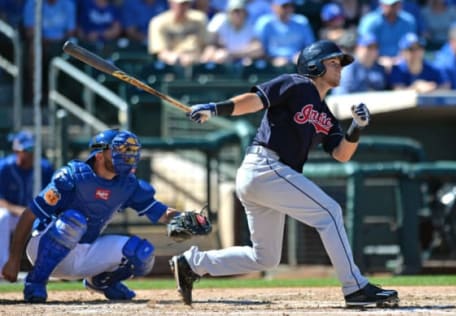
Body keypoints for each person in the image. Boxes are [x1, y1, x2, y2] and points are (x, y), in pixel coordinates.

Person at [170, 39, 400, 308]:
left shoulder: (325, 113)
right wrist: (216, 108)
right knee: (330, 213)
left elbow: (341, 154)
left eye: (341, 63)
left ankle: (192, 264)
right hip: (265, 166)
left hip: (267, 176)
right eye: (333, 62)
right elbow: (254, 101)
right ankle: (356, 288)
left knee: (264, 258)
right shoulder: (296, 83)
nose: (340, 68)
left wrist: (357, 128)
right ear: (314, 66)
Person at [1, 129, 187, 303]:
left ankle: (101, 282)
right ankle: (36, 281)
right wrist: (14, 259)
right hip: (44, 245)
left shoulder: (128, 184)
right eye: (119, 150)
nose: (127, 156)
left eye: (129, 151)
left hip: (85, 250)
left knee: (143, 252)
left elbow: (162, 213)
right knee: (74, 221)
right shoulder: (72, 177)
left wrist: (186, 219)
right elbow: (29, 215)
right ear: (99, 154)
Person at [0, 131, 54, 275]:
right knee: (2, 217)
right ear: (16, 150)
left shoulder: (44, 167)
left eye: (33, 149)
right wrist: (20, 210)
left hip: (36, 215)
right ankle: (2, 269)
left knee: (56, 222)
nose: (31, 154)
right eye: (27, 150)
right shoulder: (4, 167)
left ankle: (50, 271)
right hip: (13, 215)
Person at [357, 0, 416, 71]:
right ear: (381, 5)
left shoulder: (409, 20)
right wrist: (379, 59)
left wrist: (400, 59)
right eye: (390, 5)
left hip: (402, 63)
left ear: (400, 4)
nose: (392, 8)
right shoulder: (370, 21)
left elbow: (411, 45)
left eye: (395, 4)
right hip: (374, 63)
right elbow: (363, 47)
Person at [254, 0, 315, 67]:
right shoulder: (264, 23)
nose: (289, 9)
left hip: (298, 64)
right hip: (270, 65)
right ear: (274, 7)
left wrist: (302, 56)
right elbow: (259, 48)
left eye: (291, 6)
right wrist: (272, 60)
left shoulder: (301, 21)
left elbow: (310, 46)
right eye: (284, 6)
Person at [148, 0, 209, 67]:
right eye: (181, 4)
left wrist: (205, 56)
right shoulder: (158, 22)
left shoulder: (200, 19)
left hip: (198, 62)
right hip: (171, 65)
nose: (184, 7)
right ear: (171, 4)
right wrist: (178, 58)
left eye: (187, 3)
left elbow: (206, 44)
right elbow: (160, 52)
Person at [203, 0, 263, 65]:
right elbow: (211, 42)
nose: (237, 14)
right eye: (235, 11)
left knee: (248, 62)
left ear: (245, 13)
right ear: (228, 12)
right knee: (214, 56)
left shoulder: (250, 25)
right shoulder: (220, 20)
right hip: (222, 59)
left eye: (240, 11)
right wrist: (215, 51)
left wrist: (232, 54)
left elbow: (258, 49)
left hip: (242, 59)